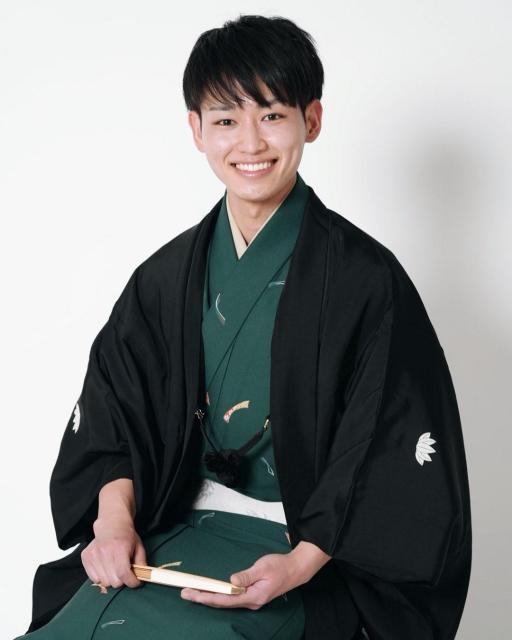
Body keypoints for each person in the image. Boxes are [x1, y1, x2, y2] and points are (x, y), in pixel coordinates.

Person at [16, 14, 472, 640]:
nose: (250, 143)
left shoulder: (367, 280)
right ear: (196, 130)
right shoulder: (164, 278)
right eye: (227, 120)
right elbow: (113, 417)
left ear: (312, 119)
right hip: (170, 531)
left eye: (272, 115)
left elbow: (384, 449)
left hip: (308, 554)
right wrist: (113, 523)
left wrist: (300, 564)